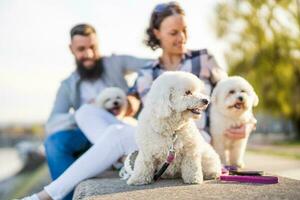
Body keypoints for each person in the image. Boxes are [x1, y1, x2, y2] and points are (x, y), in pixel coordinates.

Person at [23, 2, 251, 200]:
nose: (181, 37)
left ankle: (51, 193)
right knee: (85, 112)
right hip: (156, 139)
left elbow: (234, 92)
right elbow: (131, 104)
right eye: (173, 32)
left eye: (184, 30)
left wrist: (248, 122)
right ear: (156, 33)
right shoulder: (147, 72)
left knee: (114, 135)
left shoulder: (203, 59)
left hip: (192, 142)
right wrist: (120, 106)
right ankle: (122, 158)